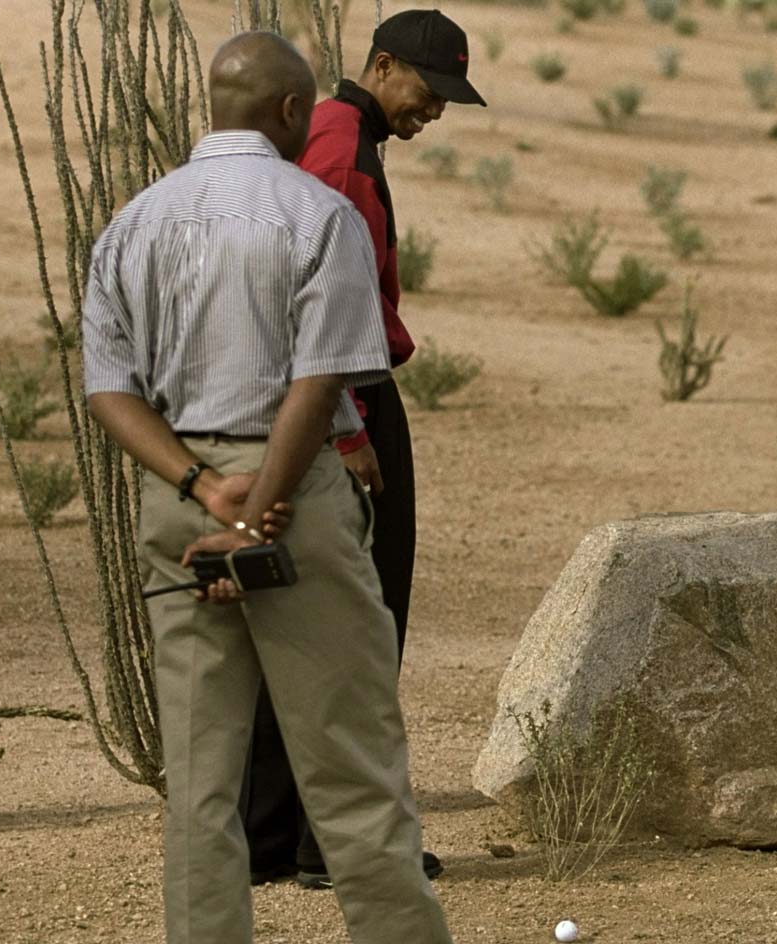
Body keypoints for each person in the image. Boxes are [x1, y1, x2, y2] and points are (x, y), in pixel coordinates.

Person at [81, 31, 533, 944]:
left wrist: (201, 487)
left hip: (177, 501)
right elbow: (321, 374)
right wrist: (261, 503)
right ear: (293, 113)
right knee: (352, 766)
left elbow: (108, 391)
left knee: (201, 787)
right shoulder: (315, 212)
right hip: (290, 492)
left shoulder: (131, 223)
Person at [240, 8, 487, 890]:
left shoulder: (337, 131)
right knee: (361, 623)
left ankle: (268, 836)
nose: (437, 111)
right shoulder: (342, 151)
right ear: (382, 65)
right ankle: (337, 843)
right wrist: (346, 427)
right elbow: (314, 300)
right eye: (429, 90)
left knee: (305, 619)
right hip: (345, 397)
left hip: (317, 398)